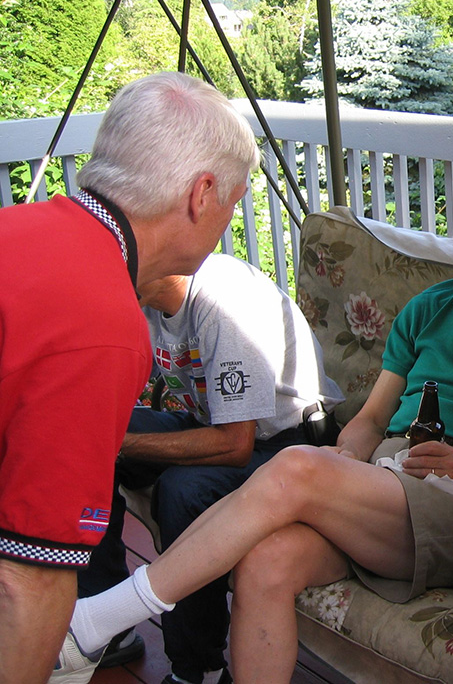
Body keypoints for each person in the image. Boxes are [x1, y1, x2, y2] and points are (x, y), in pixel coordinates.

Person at [51, 168, 453, 684]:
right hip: (393, 489)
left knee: (297, 466)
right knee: (266, 562)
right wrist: (346, 455)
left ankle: (104, 617)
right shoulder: (430, 307)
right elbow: (372, 419)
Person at [0, 71, 260, 684]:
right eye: (234, 200)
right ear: (201, 195)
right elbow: (26, 582)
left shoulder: (18, 230)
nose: (229, 219)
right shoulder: (101, 322)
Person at [78, 253, 345, 684]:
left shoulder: (222, 302)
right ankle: (108, 623)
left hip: (287, 443)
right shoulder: (146, 303)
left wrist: (122, 443)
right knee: (86, 437)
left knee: (184, 490)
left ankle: (199, 667)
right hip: (212, 422)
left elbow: (236, 445)